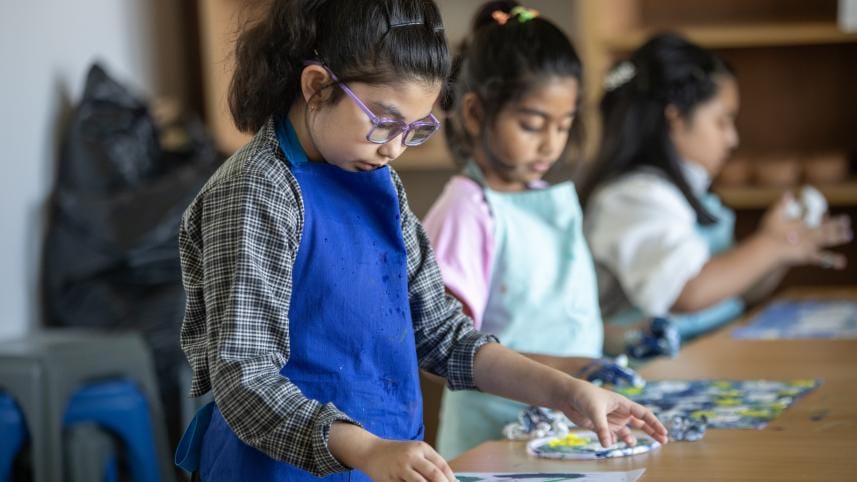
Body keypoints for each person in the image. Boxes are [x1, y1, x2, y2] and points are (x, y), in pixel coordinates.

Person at [174, 1, 668, 481]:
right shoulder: (257, 190)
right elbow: (245, 377)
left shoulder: (378, 180)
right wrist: (366, 448)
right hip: (278, 470)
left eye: (414, 130)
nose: (394, 148)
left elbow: (444, 337)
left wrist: (567, 392)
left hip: (379, 458)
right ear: (317, 86)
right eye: (383, 123)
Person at [421, 1, 665, 459]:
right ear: (474, 114)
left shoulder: (549, 201)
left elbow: (563, 321)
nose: (551, 144)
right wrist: (573, 370)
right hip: (494, 437)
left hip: (568, 425)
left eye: (564, 126)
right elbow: (441, 351)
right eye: (532, 125)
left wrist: (624, 337)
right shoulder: (467, 210)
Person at [582, 33, 852, 341]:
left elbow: (736, 290)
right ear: (676, 119)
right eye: (722, 121)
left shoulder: (689, 191)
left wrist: (781, 251)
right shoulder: (631, 198)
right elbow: (687, 292)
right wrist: (771, 245)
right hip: (656, 365)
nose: (732, 139)